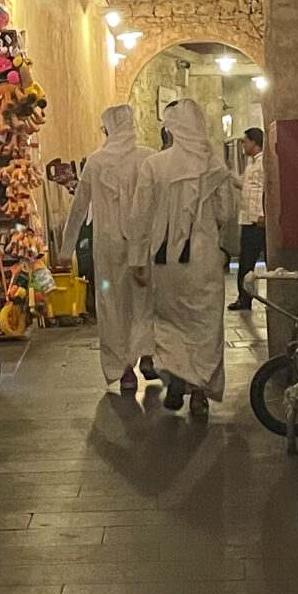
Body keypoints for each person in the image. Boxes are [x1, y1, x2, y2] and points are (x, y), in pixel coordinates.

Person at [128, 97, 237, 417]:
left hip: (165, 261)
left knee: (169, 323)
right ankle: (200, 389)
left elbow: (139, 216)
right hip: (202, 259)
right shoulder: (214, 165)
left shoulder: (155, 165)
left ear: (172, 127)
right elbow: (226, 212)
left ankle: (174, 379)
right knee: (204, 324)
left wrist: (137, 259)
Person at [60, 104, 155, 391]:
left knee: (113, 305)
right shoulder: (149, 157)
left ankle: (125, 370)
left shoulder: (97, 162)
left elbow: (78, 209)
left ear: (108, 129)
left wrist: (66, 251)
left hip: (109, 246)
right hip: (144, 244)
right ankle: (148, 354)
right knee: (145, 300)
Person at [231, 128, 266, 310]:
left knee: (264, 260)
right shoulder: (251, 164)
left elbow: (266, 189)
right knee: (246, 261)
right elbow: (245, 185)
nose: (243, 145)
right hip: (247, 219)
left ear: (254, 142)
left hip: (258, 220)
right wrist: (229, 173)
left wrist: (263, 213)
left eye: (245, 141)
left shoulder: (264, 163)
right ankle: (244, 298)